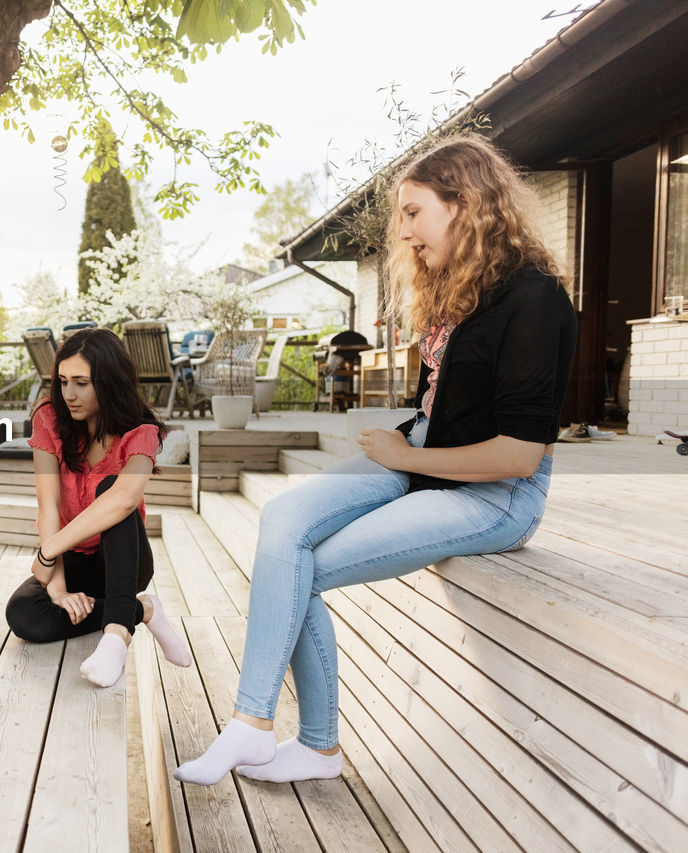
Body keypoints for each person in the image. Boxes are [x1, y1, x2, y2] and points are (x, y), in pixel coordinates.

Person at [174, 135, 577, 786]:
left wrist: (406, 453)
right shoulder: (459, 292)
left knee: (298, 569)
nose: (405, 232)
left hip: (495, 495)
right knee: (283, 521)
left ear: (465, 202)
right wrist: (406, 449)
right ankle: (257, 725)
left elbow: (519, 455)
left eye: (414, 212)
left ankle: (310, 741)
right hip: (420, 453)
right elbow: (438, 404)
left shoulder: (536, 302)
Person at [4, 327, 192, 688]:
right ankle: (144, 609)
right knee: (24, 614)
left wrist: (46, 553)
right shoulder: (49, 419)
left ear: (108, 382)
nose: (68, 395)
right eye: (62, 382)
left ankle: (117, 635)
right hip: (72, 558)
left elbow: (122, 501)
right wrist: (57, 589)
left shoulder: (141, 432)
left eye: (81, 383)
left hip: (122, 560)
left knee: (112, 488)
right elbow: (49, 506)